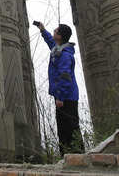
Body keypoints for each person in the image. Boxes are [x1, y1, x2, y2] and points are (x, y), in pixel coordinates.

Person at [33, 20, 82, 154]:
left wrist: (60, 96)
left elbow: (65, 77)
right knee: (62, 127)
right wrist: (42, 30)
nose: (53, 32)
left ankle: (77, 155)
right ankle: (66, 156)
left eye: (55, 31)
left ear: (60, 36)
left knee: (70, 128)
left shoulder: (65, 54)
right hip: (62, 95)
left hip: (67, 97)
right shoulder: (58, 49)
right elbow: (50, 41)